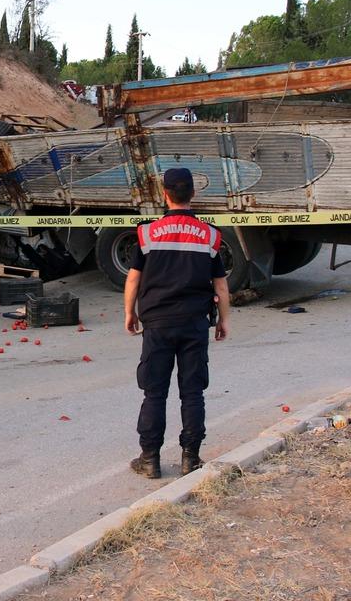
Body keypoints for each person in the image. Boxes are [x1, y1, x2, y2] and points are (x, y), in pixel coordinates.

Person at [123, 167, 230, 479]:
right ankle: (190, 459)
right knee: (192, 393)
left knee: (154, 393)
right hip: (194, 323)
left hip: (157, 323)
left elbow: (133, 280)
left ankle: (150, 459)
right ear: (193, 194)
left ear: (164, 194)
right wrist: (223, 320)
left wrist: (130, 313)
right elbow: (221, 285)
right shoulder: (210, 235)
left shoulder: (147, 233)